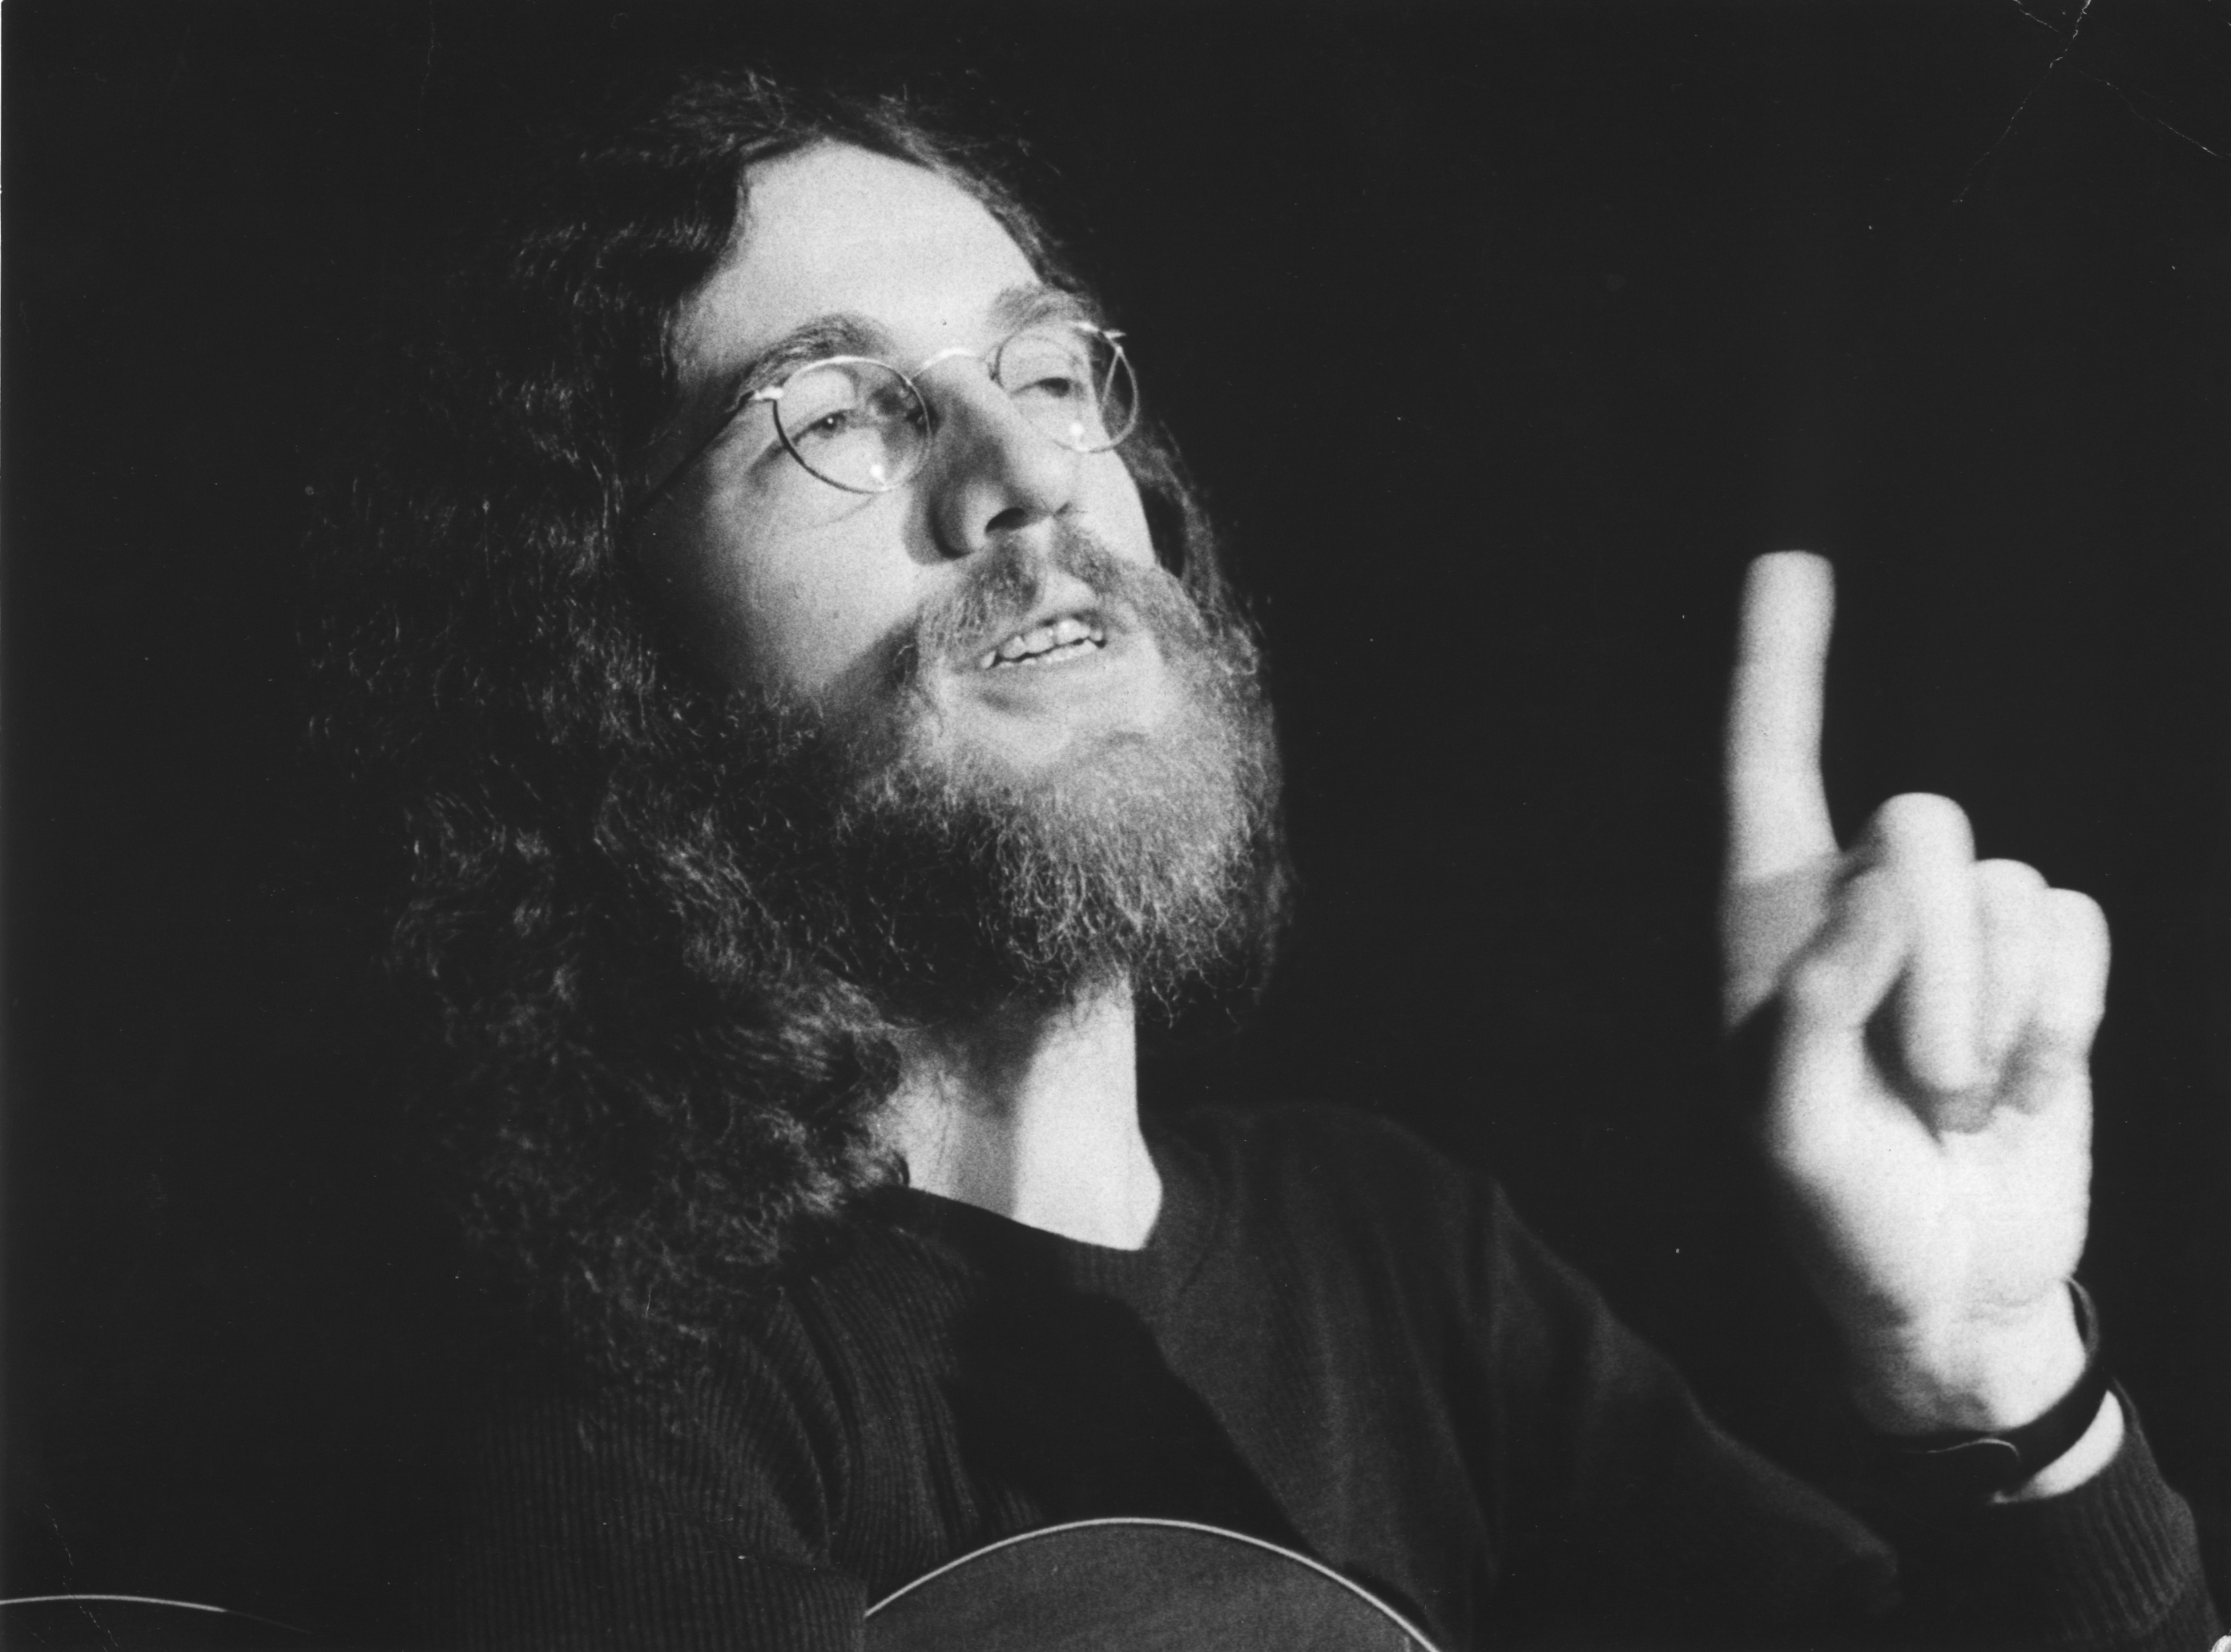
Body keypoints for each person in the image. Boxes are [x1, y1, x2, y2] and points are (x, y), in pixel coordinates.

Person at [314, 71, 2219, 1649]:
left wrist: (1989, 1362)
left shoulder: (1397, 1250)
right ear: (608, 657)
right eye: (828, 416)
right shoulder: (616, 1384)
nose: (1027, 471)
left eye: (1045, 371)